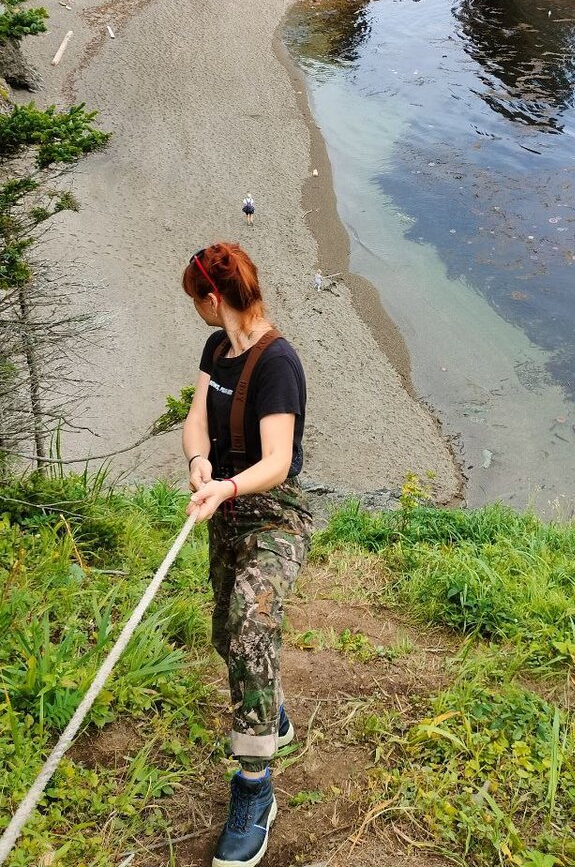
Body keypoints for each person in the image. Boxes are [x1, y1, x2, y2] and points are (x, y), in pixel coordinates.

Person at [182, 242, 312, 867]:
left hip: (274, 516)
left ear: (215, 299)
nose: (197, 312)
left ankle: (254, 790)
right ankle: (273, 712)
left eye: (196, 301)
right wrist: (199, 463)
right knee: (225, 635)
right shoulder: (215, 350)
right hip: (224, 509)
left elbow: (278, 463)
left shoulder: (277, 363)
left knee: (249, 626)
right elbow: (195, 421)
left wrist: (226, 485)